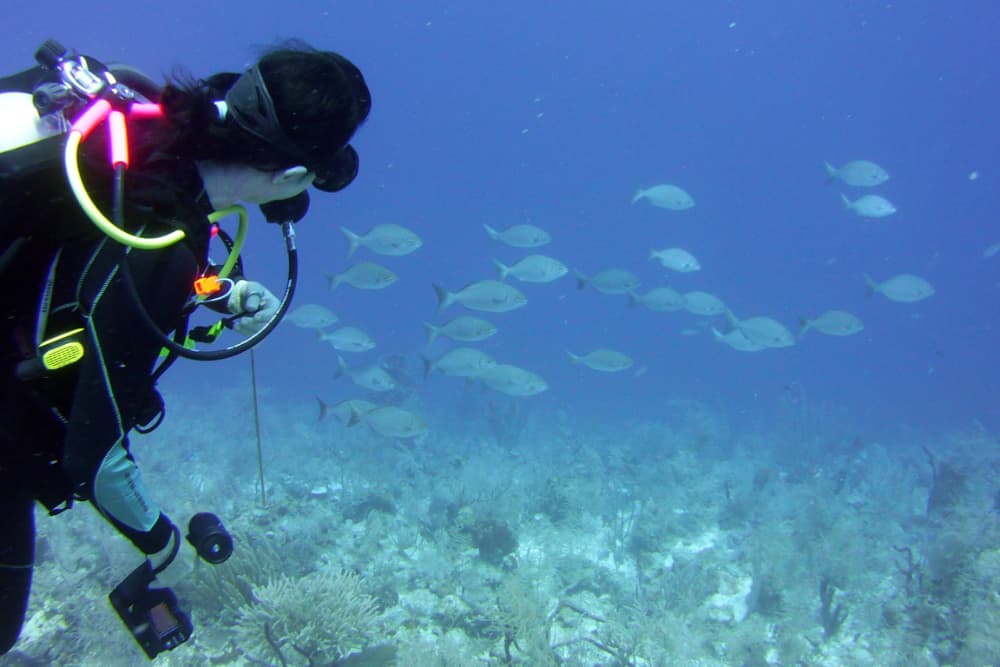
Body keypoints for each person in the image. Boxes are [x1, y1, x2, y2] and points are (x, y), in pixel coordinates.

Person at [0, 39, 370, 658]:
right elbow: (92, 458)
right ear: (294, 179)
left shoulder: (142, 129)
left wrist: (218, 290)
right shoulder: (159, 242)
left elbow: (97, 262)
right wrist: (163, 548)